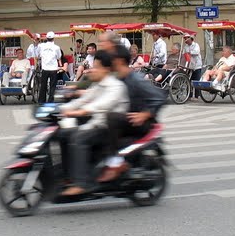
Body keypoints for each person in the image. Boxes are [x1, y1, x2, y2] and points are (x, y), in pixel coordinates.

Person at [59, 50, 129, 197]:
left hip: (108, 130)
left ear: (106, 69)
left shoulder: (115, 86)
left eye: (96, 66)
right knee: (63, 134)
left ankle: (82, 183)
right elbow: (82, 100)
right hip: (95, 124)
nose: (92, 70)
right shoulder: (98, 85)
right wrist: (60, 109)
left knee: (78, 138)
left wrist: (80, 112)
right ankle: (69, 176)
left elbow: (100, 105)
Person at [102, 42, 168, 181]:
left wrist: (145, 114)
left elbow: (160, 97)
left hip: (142, 122)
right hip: (128, 119)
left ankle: (115, 163)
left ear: (119, 61)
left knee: (112, 118)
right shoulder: (117, 78)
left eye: (112, 58)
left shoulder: (136, 79)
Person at [36, 32, 62, 104]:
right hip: (53, 68)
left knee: (43, 85)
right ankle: (50, 101)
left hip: (45, 68)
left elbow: (38, 54)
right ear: (53, 38)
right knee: (52, 86)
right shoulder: (56, 47)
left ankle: (41, 101)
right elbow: (58, 57)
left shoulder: (41, 46)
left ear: (46, 38)